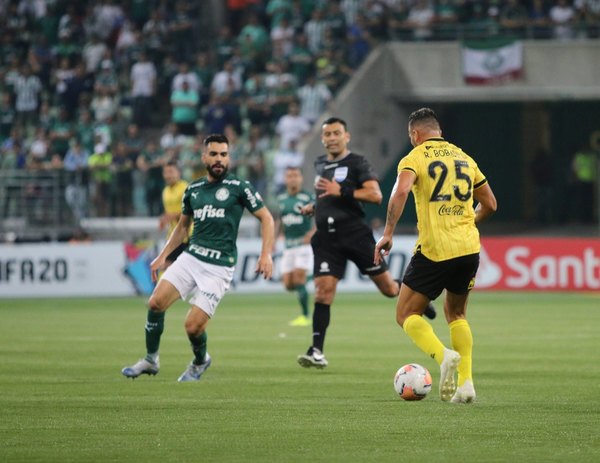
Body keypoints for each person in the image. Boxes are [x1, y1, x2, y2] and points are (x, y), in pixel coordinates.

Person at [122, 134, 274, 382]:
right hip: (191, 258)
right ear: (204, 157)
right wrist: (162, 257)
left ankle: (200, 361)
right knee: (155, 304)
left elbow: (267, 218)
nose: (219, 159)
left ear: (229, 158)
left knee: (192, 327)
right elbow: (183, 227)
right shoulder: (193, 189)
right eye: (213, 154)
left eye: (223, 154)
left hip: (219, 268)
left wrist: (266, 254)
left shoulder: (240, 187)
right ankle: (151, 360)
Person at [373, 108, 497, 404]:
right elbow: (490, 204)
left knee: (405, 314)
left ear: (415, 135)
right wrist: (467, 222)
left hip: (435, 249)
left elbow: (401, 191)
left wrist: (388, 232)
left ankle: (443, 357)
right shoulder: (464, 158)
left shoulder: (415, 157)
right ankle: (466, 385)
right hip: (469, 249)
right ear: (438, 131)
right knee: (457, 314)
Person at [296, 117, 436, 370]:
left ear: (346, 136)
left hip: (355, 234)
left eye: (336, 133)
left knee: (388, 290)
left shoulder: (357, 163)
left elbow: (375, 195)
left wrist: (344, 192)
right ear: (322, 139)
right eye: (327, 134)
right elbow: (328, 197)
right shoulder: (320, 164)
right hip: (327, 238)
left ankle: (412, 293)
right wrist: (314, 207)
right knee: (323, 291)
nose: (331, 138)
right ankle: (316, 350)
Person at [276, 166, 316, 327]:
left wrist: (311, 233)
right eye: (289, 176)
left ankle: (305, 316)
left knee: (299, 278)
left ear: (301, 178)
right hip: (288, 246)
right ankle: (315, 276)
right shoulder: (281, 199)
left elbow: (321, 216)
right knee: (288, 284)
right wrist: (273, 239)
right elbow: (279, 220)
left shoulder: (309, 197)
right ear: (285, 179)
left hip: (304, 245)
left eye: (295, 175)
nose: (293, 179)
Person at [159, 161, 189, 267]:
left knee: (186, 271)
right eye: (165, 172)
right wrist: (164, 218)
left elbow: (193, 211)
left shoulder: (185, 188)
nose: (168, 175)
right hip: (173, 236)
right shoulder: (165, 191)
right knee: (165, 266)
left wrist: (173, 216)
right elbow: (169, 211)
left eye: (171, 172)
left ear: (178, 173)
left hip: (188, 236)